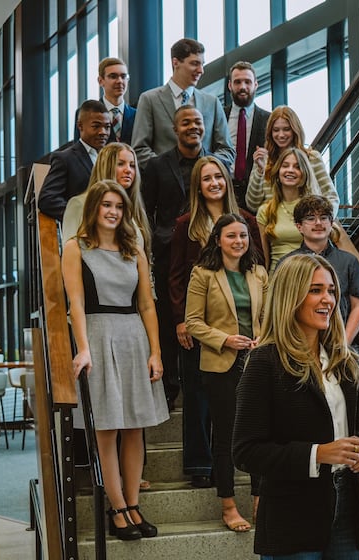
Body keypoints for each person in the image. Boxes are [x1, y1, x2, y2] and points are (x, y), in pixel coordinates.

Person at [233, 253, 359, 558]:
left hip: (347, 508)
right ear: (290, 296)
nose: (328, 299)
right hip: (292, 516)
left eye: (331, 291)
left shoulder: (345, 361)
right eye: (315, 290)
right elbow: (246, 451)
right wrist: (318, 453)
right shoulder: (264, 362)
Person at [61, 180, 169, 541]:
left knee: (135, 428)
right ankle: (117, 506)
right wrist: (83, 347)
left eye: (119, 207)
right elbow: (75, 303)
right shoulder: (75, 248)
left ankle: (134, 504)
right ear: (94, 208)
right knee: (107, 430)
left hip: (133, 336)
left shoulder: (133, 249)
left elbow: (147, 305)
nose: (113, 212)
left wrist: (155, 351)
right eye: (106, 205)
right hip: (98, 333)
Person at [168, 157, 261, 486]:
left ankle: (243, 466)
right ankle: (199, 465)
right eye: (206, 178)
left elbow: (257, 267)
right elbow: (176, 275)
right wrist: (181, 319)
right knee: (197, 395)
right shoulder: (186, 223)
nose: (214, 183)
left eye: (218, 177)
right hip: (201, 324)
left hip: (243, 327)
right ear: (198, 185)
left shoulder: (247, 220)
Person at [185, 213, 266, 533]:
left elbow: (270, 314)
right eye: (231, 236)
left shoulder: (259, 273)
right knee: (226, 435)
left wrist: (264, 338)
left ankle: (260, 499)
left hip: (257, 361)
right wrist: (225, 339)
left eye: (243, 236)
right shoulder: (203, 274)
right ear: (217, 239)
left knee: (261, 432)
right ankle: (229, 504)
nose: (238, 242)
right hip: (221, 365)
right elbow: (193, 321)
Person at [141, 105, 216, 413]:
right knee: (172, 321)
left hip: (204, 252)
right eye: (186, 122)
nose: (193, 127)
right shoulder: (157, 166)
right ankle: (171, 388)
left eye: (197, 122)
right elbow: (145, 208)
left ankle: (205, 386)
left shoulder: (212, 165)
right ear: (175, 128)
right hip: (169, 251)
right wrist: (155, 240)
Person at [130, 38, 234, 165]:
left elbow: (227, 150)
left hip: (203, 181)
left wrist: (207, 168)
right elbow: (140, 149)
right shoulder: (149, 99)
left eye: (202, 64)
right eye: (195, 64)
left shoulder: (212, 102)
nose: (201, 70)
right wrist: (167, 171)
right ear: (176, 62)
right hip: (164, 182)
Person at [285, 194, 359, 343]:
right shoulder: (288, 263)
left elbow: (358, 306)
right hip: (298, 343)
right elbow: (281, 306)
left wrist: (344, 344)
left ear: (331, 223)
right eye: (310, 218)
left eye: (324, 218)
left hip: (339, 341)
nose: (318, 223)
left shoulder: (349, 261)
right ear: (299, 226)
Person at [244, 105, 338, 215]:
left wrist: (323, 220)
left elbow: (331, 196)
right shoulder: (264, 160)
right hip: (273, 226)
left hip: (307, 225)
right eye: (276, 130)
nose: (281, 135)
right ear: (270, 132)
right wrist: (260, 170)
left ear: (295, 130)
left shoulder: (311, 158)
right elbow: (252, 204)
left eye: (286, 129)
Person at [62, 142, 151, 258]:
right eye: (121, 164)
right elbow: (70, 255)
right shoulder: (79, 204)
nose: (128, 170)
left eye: (132, 165)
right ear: (106, 166)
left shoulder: (134, 208)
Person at [39, 100, 111, 221]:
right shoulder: (65, 159)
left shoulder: (112, 158)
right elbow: (48, 199)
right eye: (96, 126)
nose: (103, 132)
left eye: (107, 127)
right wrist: (83, 217)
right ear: (80, 126)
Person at [256, 147, 316, 270]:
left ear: (304, 173)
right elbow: (264, 260)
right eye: (285, 166)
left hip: (309, 277)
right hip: (277, 278)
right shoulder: (265, 211)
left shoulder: (315, 209)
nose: (290, 170)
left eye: (297, 167)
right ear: (278, 171)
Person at [224, 61, 270, 209]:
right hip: (224, 191)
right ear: (230, 85)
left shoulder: (269, 120)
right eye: (237, 82)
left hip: (258, 195)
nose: (242, 87)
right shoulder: (218, 117)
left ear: (256, 85)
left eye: (247, 82)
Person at [73, 57, 136, 145]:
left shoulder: (137, 115)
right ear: (100, 81)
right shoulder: (85, 113)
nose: (120, 81)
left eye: (123, 76)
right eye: (113, 76)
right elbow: (79, 149)